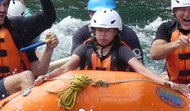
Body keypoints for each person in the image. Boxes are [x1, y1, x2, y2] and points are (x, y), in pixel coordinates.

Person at [36, 9, 176, 89]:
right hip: (88, 92)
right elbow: (65, 68)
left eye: (107, 31)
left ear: (115, 32)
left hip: (115, 93)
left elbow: (141, 70)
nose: (103, 35)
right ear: (94, 31)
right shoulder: (85, 48)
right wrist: (48, 76)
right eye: (100, 30)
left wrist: (162, 81)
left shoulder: (121, 50)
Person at [70, 0, 143, 59]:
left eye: (109, 12)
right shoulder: (81, 34)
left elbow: (139, 65)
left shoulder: (129, 34)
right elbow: (74, 66)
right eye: (98, 12)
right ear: (90, 13)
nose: (104, 16)